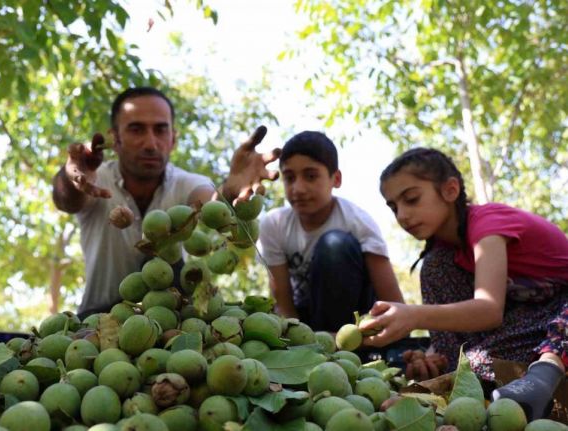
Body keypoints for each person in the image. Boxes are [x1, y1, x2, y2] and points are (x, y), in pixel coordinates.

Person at [364, 147, 568, 420]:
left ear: (450, 190)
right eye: (393, 207)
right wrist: (433, 356)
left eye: (411, 199)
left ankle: (539, 376)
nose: (401, 215)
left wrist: (413, 315)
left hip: (560, 316)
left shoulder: (488, 225)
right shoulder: (445, 255)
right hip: (530, 321)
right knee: (435, 266)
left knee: (476, 363)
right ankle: (460, 377)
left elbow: (489, 309)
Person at [52, 86, 279, 318]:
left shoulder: (188, 183)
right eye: (136, 129)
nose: (150, 143)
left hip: (168, 320)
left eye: (160, 130)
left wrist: (229, 192)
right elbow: (66, 199)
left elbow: (209, 201)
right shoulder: (95, 181)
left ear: (173, 139)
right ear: (115, 139)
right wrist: (70, 179)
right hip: (96, 320)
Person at [257, 131, 403, 332]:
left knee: (335, 244)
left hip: (355, 325)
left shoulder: (357, 222)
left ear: (336, 179)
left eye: (310, 176)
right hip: (307, 324)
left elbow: (394, 305)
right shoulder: (274, 225)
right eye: (289, 178)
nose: (298, 188)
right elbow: (283, 303)